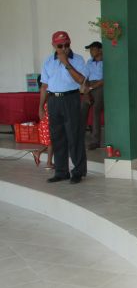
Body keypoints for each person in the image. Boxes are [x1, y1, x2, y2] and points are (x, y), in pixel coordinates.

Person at [39, 31, 89, 184]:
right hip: (53, 101)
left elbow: (81, 80)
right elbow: (44, 86)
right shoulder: (48, 61)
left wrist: (66, 62)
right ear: (53, 46)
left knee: (74, 136)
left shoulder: (78, 59)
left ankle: (78, 172)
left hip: (71, 99)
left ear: (70, 43)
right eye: (60, 46)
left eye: (66, 45)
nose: (64, 48)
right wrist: (40, 107)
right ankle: (61, 172)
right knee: (57, 137)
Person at [81, 41, 104, 150]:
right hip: (89, 86)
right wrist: (86, 91)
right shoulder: (89, 62)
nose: (91, 52)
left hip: (100, 87)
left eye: (93, 49)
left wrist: (90, 88)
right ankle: (79, 136)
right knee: (82, 110)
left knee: (95, 112)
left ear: (100, 50)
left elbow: (104, 80)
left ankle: (95, 141)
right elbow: (85, 77)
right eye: (90, 50)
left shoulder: (106, 62)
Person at [32, 75, 54, 170]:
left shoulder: (45, 94)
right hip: (48, 123)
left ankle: (38, 153)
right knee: (51, 143)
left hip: (46, 123)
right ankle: (48, 163)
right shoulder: (48, 94)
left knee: (52, 143)